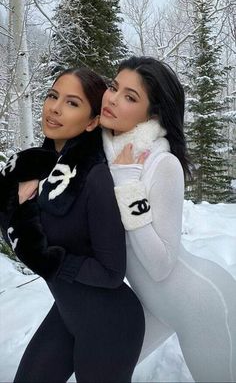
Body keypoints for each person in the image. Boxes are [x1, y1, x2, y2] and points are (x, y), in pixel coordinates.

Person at [0, 67, 145, 383]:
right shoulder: (30, 168)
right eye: (53, 96)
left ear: (93, 121)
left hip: (111, 325)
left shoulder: (95, 179)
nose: (54, 107)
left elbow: (111, 273)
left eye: (72, 103)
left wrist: (51, 262)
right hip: (69, 315)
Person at [99, 56, 236, 383]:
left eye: (130, 97)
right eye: (114, 87)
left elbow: (161, 265)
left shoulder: (161, 164)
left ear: (154, 113)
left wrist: (128, 185)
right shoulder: (113, 153)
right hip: (155, 306)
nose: (114, 99)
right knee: (104, 372)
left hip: (202, 306)